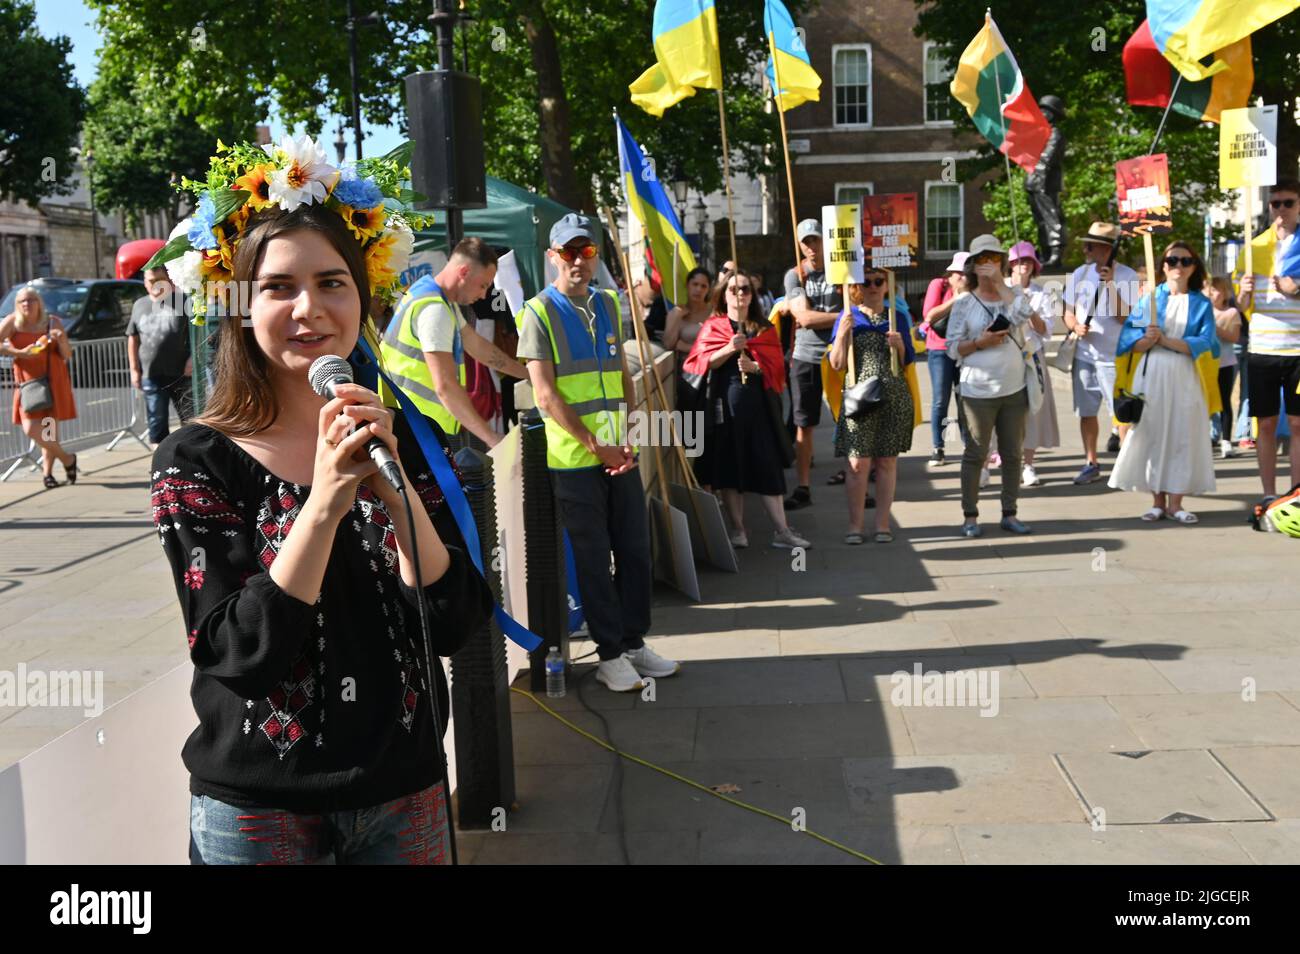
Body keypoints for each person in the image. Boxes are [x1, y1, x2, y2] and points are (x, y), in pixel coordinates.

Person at [152, 147, 493, 864]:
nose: (309, 309)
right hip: (262, 817)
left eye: (331, 282)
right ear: (241, 306)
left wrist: (397, 497)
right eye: (278, 287)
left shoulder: (397, 431)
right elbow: (238, 652)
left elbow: (456, 618)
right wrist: (326, 502)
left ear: (362, 295)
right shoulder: (195, 459)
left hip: (406, 791)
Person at [515, 213, 678, 693]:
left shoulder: (609, 303)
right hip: (575, 460)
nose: (577, 261)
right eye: (568, 252)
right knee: (593, 559)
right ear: (552, 257)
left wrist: (626, 434)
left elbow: (622, 376)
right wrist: (597, 446)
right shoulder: (538, 312)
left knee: (634, 551)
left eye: (586, 252)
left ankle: (633, 642)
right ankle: (609, 654)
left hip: (619, 454)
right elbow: (545, 395)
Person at [683, 270, 806, 550]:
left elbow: (777, 370)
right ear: (723, 295)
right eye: (734, 289)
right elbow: (699, 363)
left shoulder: (764, 329)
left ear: (753, 295)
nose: (740, 294)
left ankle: (782, 530)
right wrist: (729, 348)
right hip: (724, 410)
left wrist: (756, 367)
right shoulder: (714, 326)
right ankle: (739, 531)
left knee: (767, 468)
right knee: (729, 471)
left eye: (746, 289)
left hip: (759, 410)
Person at [379, 237, 526, 448]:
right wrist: (491, 438)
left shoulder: (429, 293)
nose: (484, 294)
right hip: (423, 431)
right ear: (464, 272)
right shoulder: (435, 310)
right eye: (483, 285)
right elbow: (445, 386)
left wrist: (528, 374)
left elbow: (477, 346)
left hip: (414, 424)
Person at [1108, 241, 1218, 522]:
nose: (1178, 266)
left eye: (1185, 261)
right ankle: (1157, 500)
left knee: (1182, 433)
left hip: (1184, 373)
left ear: (1194, 267)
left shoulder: (1201, 303)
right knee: (1153, 432)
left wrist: (1167, 341)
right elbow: (1127, 339)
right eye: (1172, 261)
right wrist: (1144, 340)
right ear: (1163, 267)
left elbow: (1207, 342)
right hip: (1153, 372)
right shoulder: (1150, 300)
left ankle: (1176, 503)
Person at [946, 235, 1035, 537]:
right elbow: (952, 348)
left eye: (994, 258)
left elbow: (1025, 313)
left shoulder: (1011, 295)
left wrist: (1001, 286)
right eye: (982, 259)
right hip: (977, 392)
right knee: (975, 453)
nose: (988, 264)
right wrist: (980, 342)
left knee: (1012, 454)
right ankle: (970, 516)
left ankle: (1009, 513)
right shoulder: (965, 303)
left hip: (1014, 388)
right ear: (972, 265)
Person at [827, 270, 915, 544]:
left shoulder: (896, 316)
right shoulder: (848, 316)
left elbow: (908, 361)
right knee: (857, 462)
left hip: (893, 396)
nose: (874, 287)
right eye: (868, 282)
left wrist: (900, 346)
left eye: (880, 281)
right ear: (856, 287)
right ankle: (855, 526)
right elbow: (837, 364)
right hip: (860, 397)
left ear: (888, 286)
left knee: (887, 461)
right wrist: (842, 335)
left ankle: (883, 525)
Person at [1235, 178, 1300, 499]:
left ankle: (1296, 494)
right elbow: (1242, 308)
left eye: (1289, 203)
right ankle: (1269, 494)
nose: (1282, 210)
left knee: (1299, 426)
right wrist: (1243, 294)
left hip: (1299, 351)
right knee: (1266, 424)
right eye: (1276, 203)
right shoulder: (1254, 248)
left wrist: (1296, 289)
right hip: (1263, 349)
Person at [1064, 221, 1137, 484]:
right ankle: (1091, 462)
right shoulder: (1079, 275)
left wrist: (1110, 285)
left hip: (1114, 356)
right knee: (1086, 411)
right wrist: (1074, 326)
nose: (1086, 250)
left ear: (1106, 249)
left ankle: (1127, 466)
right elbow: (1068, 311)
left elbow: (1125, 317)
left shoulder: (1127, 276)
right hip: (1085, 355)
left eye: (1091, 246)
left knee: (1120, 414)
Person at [783, 219, 843, 510]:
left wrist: (846, 315)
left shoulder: (841, 270)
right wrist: (843, 317)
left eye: (815, 240)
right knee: (803, 424)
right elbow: (803, 318)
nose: (810, 247)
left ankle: (854, 475)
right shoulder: (794, 276)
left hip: (840, 354)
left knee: (850, 419)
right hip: (806, 355)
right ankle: (803, 486)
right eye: (805, 242)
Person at [0, 285, 78, 488]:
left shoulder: (52, 322)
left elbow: (67, 354)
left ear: (39, 303)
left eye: (31, 300)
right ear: (17, 305)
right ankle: (68, 459)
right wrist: (19, 353)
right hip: (27, 385)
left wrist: (61, 341)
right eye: (22, 301)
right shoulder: (12, 323)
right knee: (30, 428)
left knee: (48, 431)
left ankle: (48, 475)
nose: (27, 304)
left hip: (52, 382)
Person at [1008, 242, 1060, 486]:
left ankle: (1028, 465)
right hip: (1004, 357)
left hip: (1032, 355)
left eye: (1028, 261)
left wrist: (1029, 311)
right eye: (1019, 261)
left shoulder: (1041, 293)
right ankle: (988, 463)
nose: (1023, 266)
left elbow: (1045, 331)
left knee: (1033, 411)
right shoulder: (1001, 289)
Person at [128, 266, 193, 445]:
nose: (156, 285)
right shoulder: (139, 305)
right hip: (152, 374)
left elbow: (198, 333)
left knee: (190, 420)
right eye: (151, 281)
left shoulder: (183, 301)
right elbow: (133, 339)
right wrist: (134, 370)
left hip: (182, 373)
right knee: (156, 421)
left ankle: (190, 461)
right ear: (145, 283)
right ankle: (161, 464)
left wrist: (193, 358)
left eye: (160, 280)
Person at [920, 252, 970, 467]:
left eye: (964, 272)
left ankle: (969, 446)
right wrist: (956, 299)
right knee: (941, 399)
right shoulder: (938, 286)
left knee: (964, 400)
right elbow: (928, 315)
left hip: (964, 350)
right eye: (956, 272)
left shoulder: (974, 292)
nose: (960, 276)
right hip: (939, 349)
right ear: (949, 274)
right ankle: (939, 447)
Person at [663, 266, 715, 419]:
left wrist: (684, 346)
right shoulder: (676, 313)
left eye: (703, 286)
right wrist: (677, 318)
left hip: (710, 374)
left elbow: (715, 346)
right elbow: (669, 343)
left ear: (708, 290)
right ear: (687, 285)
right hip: (685, 378)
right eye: (695, 284)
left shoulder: (714, 313)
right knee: (689, 424)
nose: (698, 289)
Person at [1207, 276, 1242, 458]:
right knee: (1203, 402)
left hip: (1225, 363)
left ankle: (1226, 441)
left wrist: (1216, 328)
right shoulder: (1203, 310)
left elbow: (1234, 337)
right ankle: (1204, 438)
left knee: (1224, 402)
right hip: (1205, 363)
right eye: (1211, 290)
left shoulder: (1231, 313)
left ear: (1225, 292)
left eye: (1217, 290)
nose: (1213, 294)